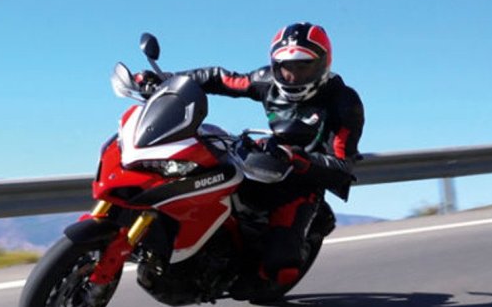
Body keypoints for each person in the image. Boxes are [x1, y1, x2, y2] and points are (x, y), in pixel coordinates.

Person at [139, 22, 364, 293]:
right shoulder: (266, 80)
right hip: (263, 156)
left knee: (279, 268)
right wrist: (167, 81)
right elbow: (219, 78)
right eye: (286, 67)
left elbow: (343, 165)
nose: (293, 75)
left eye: (303, 67)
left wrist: (299, 159)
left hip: (302, 179)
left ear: (323, 64)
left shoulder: (344, 103)